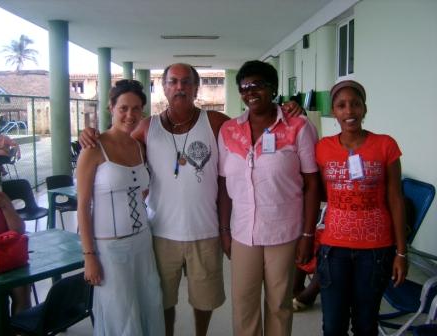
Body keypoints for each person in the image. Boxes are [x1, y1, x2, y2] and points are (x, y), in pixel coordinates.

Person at [80, 63, 305, 336]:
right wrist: (90, 134)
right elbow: (118, 143)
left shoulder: (216, 122)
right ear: (163, 88)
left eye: (187, 82)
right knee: (163, 301)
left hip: (205, 231)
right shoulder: (146, 128)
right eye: (173, 82)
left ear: (196, 88)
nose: (180, 87)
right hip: (161, 233)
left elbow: (251, 124)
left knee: (205, 300)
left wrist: (288, 109)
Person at [217, 60, 321, 336]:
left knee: (279, 305)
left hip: (284, 233)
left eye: (258, 85)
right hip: (243, 233)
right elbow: (224, 183)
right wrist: (224, 230)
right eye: (244, 87)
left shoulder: (298, 127)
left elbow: (312, 183)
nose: (250, 92)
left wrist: (308, 235)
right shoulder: (229, 131)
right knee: (244, 305)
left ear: (273, 88)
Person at [315, 80, 408, 336]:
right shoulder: (322, 148)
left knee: (365, 325)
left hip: (376, 250)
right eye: (341, 105)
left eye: (355, 104)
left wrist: (401, 252)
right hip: (334, 249)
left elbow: (396, 198)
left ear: (364, 109)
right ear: (334, 111)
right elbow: (317, 191)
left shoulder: (385, 145)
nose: (349, 111)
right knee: (333, 325)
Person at [77, 79, 165, 335]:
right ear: (111, 108)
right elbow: (82, 207)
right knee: (120, 315)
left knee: (150, 304)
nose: (130, 115)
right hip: (110, 248)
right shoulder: (93, 149)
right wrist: (89, 256)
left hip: (142, 241)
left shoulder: (139, 146)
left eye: (136, 109)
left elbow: (142, 190)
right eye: (123, 108)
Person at [0, 173, 31, 318]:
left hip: (6, 259)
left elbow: (19, 230)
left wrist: (6, 206)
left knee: (22, 291)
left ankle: (21, 329)